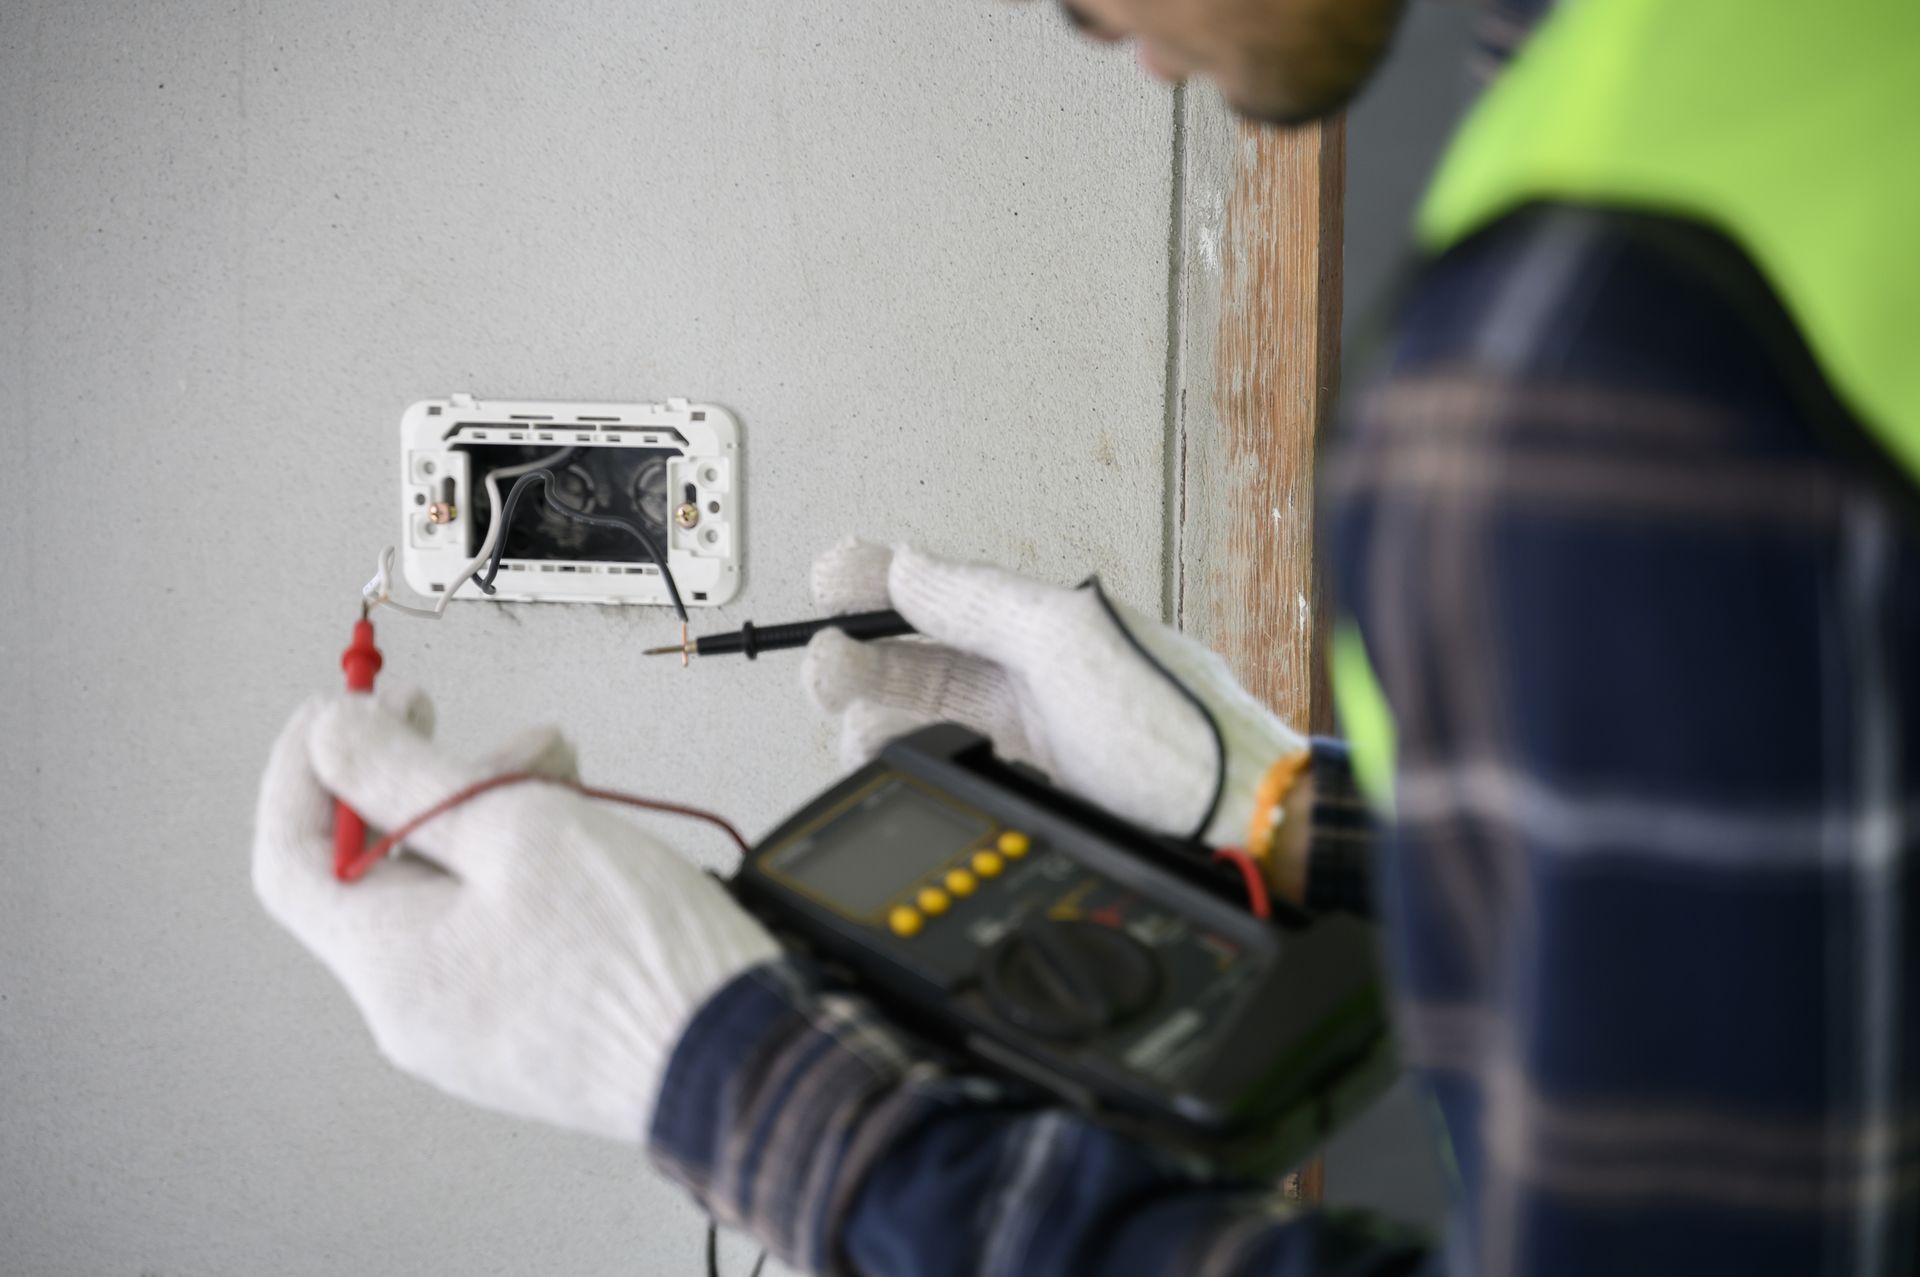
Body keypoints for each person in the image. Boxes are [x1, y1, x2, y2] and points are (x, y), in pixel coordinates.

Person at [253, 0, 1920, 1272]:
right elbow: (1820, 909)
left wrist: (727, 1073)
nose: (1092, 27)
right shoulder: (1760, 73)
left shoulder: (1572, 352)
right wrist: (1265, 807)